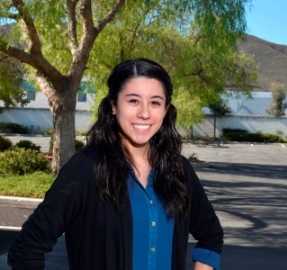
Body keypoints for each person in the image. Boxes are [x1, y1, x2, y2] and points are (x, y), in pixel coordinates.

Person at [7, 58, 223, 270]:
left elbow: (210, 234)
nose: (145, 113)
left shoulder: (178, 170)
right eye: (133, 101)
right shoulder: (86, 168)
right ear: (113, 106)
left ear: (165, 111)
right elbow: (26, 250)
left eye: (155, 102)